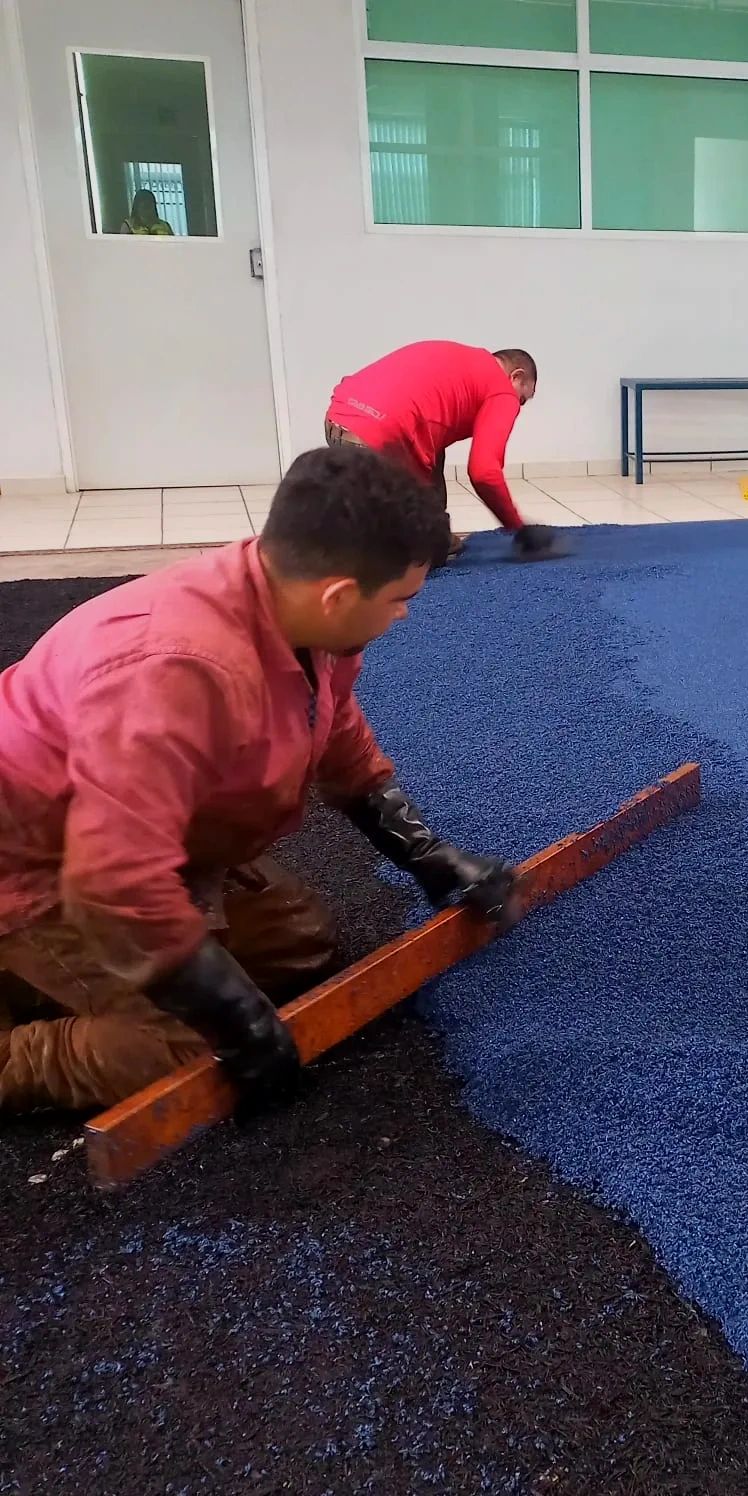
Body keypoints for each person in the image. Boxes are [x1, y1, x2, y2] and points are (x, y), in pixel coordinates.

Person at [0, 445, 524, 1114]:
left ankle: (50, 973)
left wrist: (425, 853)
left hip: (147, 835)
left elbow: (334, 730)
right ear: (337, 596)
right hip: (40, 864)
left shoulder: (298, 609)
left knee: (301, 953)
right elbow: (112, 879)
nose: (404, 616)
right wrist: (227, 1013)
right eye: (400, 598)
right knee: (196, 1055)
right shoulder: (176, 669)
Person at [325, 342, 563, 564]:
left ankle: (430, 536)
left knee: (433, 455)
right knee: (408, 560)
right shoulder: (501, 390)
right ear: (516, 376)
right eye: (522, 398)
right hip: (378, 440)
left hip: (338, 419)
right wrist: (519, 529)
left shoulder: (460, 359)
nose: (518, 405)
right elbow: (484, 472)